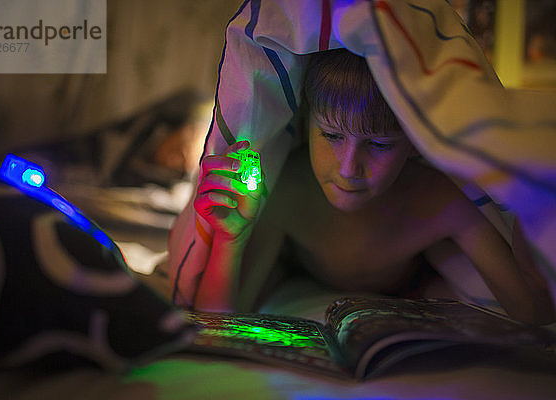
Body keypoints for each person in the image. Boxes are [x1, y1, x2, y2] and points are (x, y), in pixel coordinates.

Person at [182, 49, 555, 324]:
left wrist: (528, 208)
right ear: (304, 123)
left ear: (414, 142)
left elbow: (532, 313)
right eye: (330, 135)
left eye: (379, 144)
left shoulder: (441, 199)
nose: (349, 169)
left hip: (412, 282)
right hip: (298, 268)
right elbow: (216, 319)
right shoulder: (285, 189)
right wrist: (230, 240)